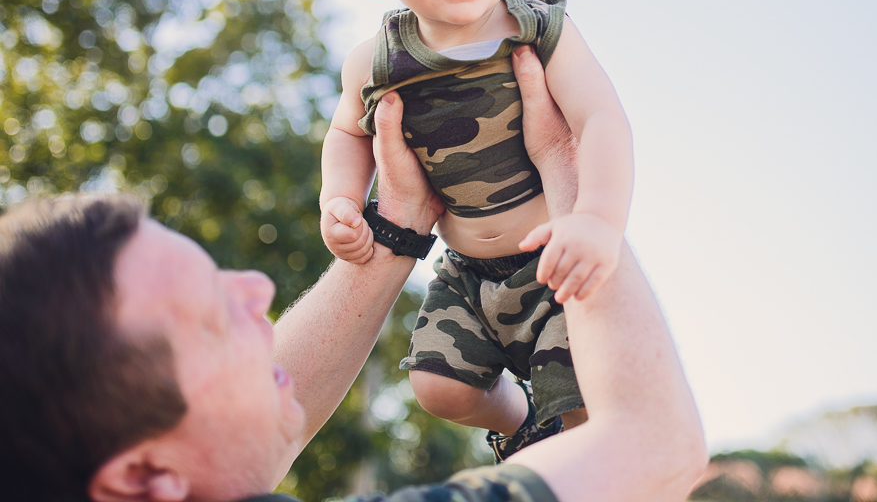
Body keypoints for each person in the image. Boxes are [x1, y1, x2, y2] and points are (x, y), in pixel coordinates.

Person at [0, 49, 706, 502]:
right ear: (145, 478)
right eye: (216, 317)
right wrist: (568, 180)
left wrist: (394, 230)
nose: (261, 291)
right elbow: (654, 447)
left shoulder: (134, 465)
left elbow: (256, 416)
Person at [318, 0, 633, 454]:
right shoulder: (374, 62)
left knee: (582, 406)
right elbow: (346, 134)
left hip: (554, 260)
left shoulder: (538, 30)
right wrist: (339, 200)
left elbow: (603, 119)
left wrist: (596, 220)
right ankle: (519, 424)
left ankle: (573, 459)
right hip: (466, 270)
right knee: (438, 387)